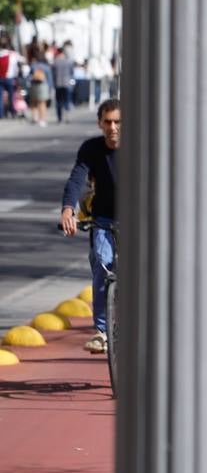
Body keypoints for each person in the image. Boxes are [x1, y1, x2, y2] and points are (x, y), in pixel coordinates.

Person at [60, 99, 121, 354]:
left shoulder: (142, 146)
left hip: (139, 220)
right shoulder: (91, 149)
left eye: (118, 122)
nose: (113, 127)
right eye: (107, 122)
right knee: (102, 264)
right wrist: (68, 209)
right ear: (100, 123)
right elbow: (76, 178)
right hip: (104, 219)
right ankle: (101, 331)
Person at [27, 44, 52, 127]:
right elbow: (49, 79)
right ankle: (42, 119)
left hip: (34, 85)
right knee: (42, 103)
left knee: (33, 102)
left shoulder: (33, 65)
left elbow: (29, 76)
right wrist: (50, 88)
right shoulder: (46, 67)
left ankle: (34, 118)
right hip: (43, 85)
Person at [52, 42, 76, 123]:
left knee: (58, 101)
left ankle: (59, 117)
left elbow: (53, 74)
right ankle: (67, 116)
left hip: (58, 83)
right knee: (67, 101)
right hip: (67, 83)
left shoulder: (55, 62)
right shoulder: (68, 61)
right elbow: (72, 72)